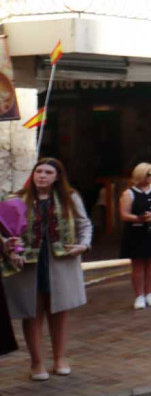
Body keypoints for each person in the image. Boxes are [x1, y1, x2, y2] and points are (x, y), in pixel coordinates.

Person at [6, 158, 91, 382]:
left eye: (48, 172)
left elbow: (84, 224)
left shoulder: (69, 198)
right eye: (39, 171)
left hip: (60, 260)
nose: (42, 175)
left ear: (57, 177)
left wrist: (83, 245)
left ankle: (60, 358)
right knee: (32, 311)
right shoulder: (17, 199)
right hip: (28, 264)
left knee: (59, 309)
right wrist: (10, 250)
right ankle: (36, 362)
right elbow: (5, 231)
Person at [119, 163, 151, 310]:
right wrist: (139, 218)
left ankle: (150, 293)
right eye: (150, 174)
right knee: (138, 265)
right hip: (136, 232)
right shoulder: (129, 193)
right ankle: (139, 295)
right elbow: (124, 214)